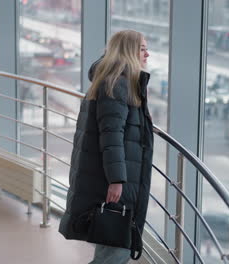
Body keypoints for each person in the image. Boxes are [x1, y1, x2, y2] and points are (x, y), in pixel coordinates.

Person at [59, 30, 154, 264]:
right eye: (142, 48)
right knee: (115, 250)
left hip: (113, 176)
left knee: (111, 249)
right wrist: (117, 180)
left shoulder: (116, 80)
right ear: (128, 51)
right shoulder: (118, 84)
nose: (147, 54)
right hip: (114, 181)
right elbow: (112, 135)